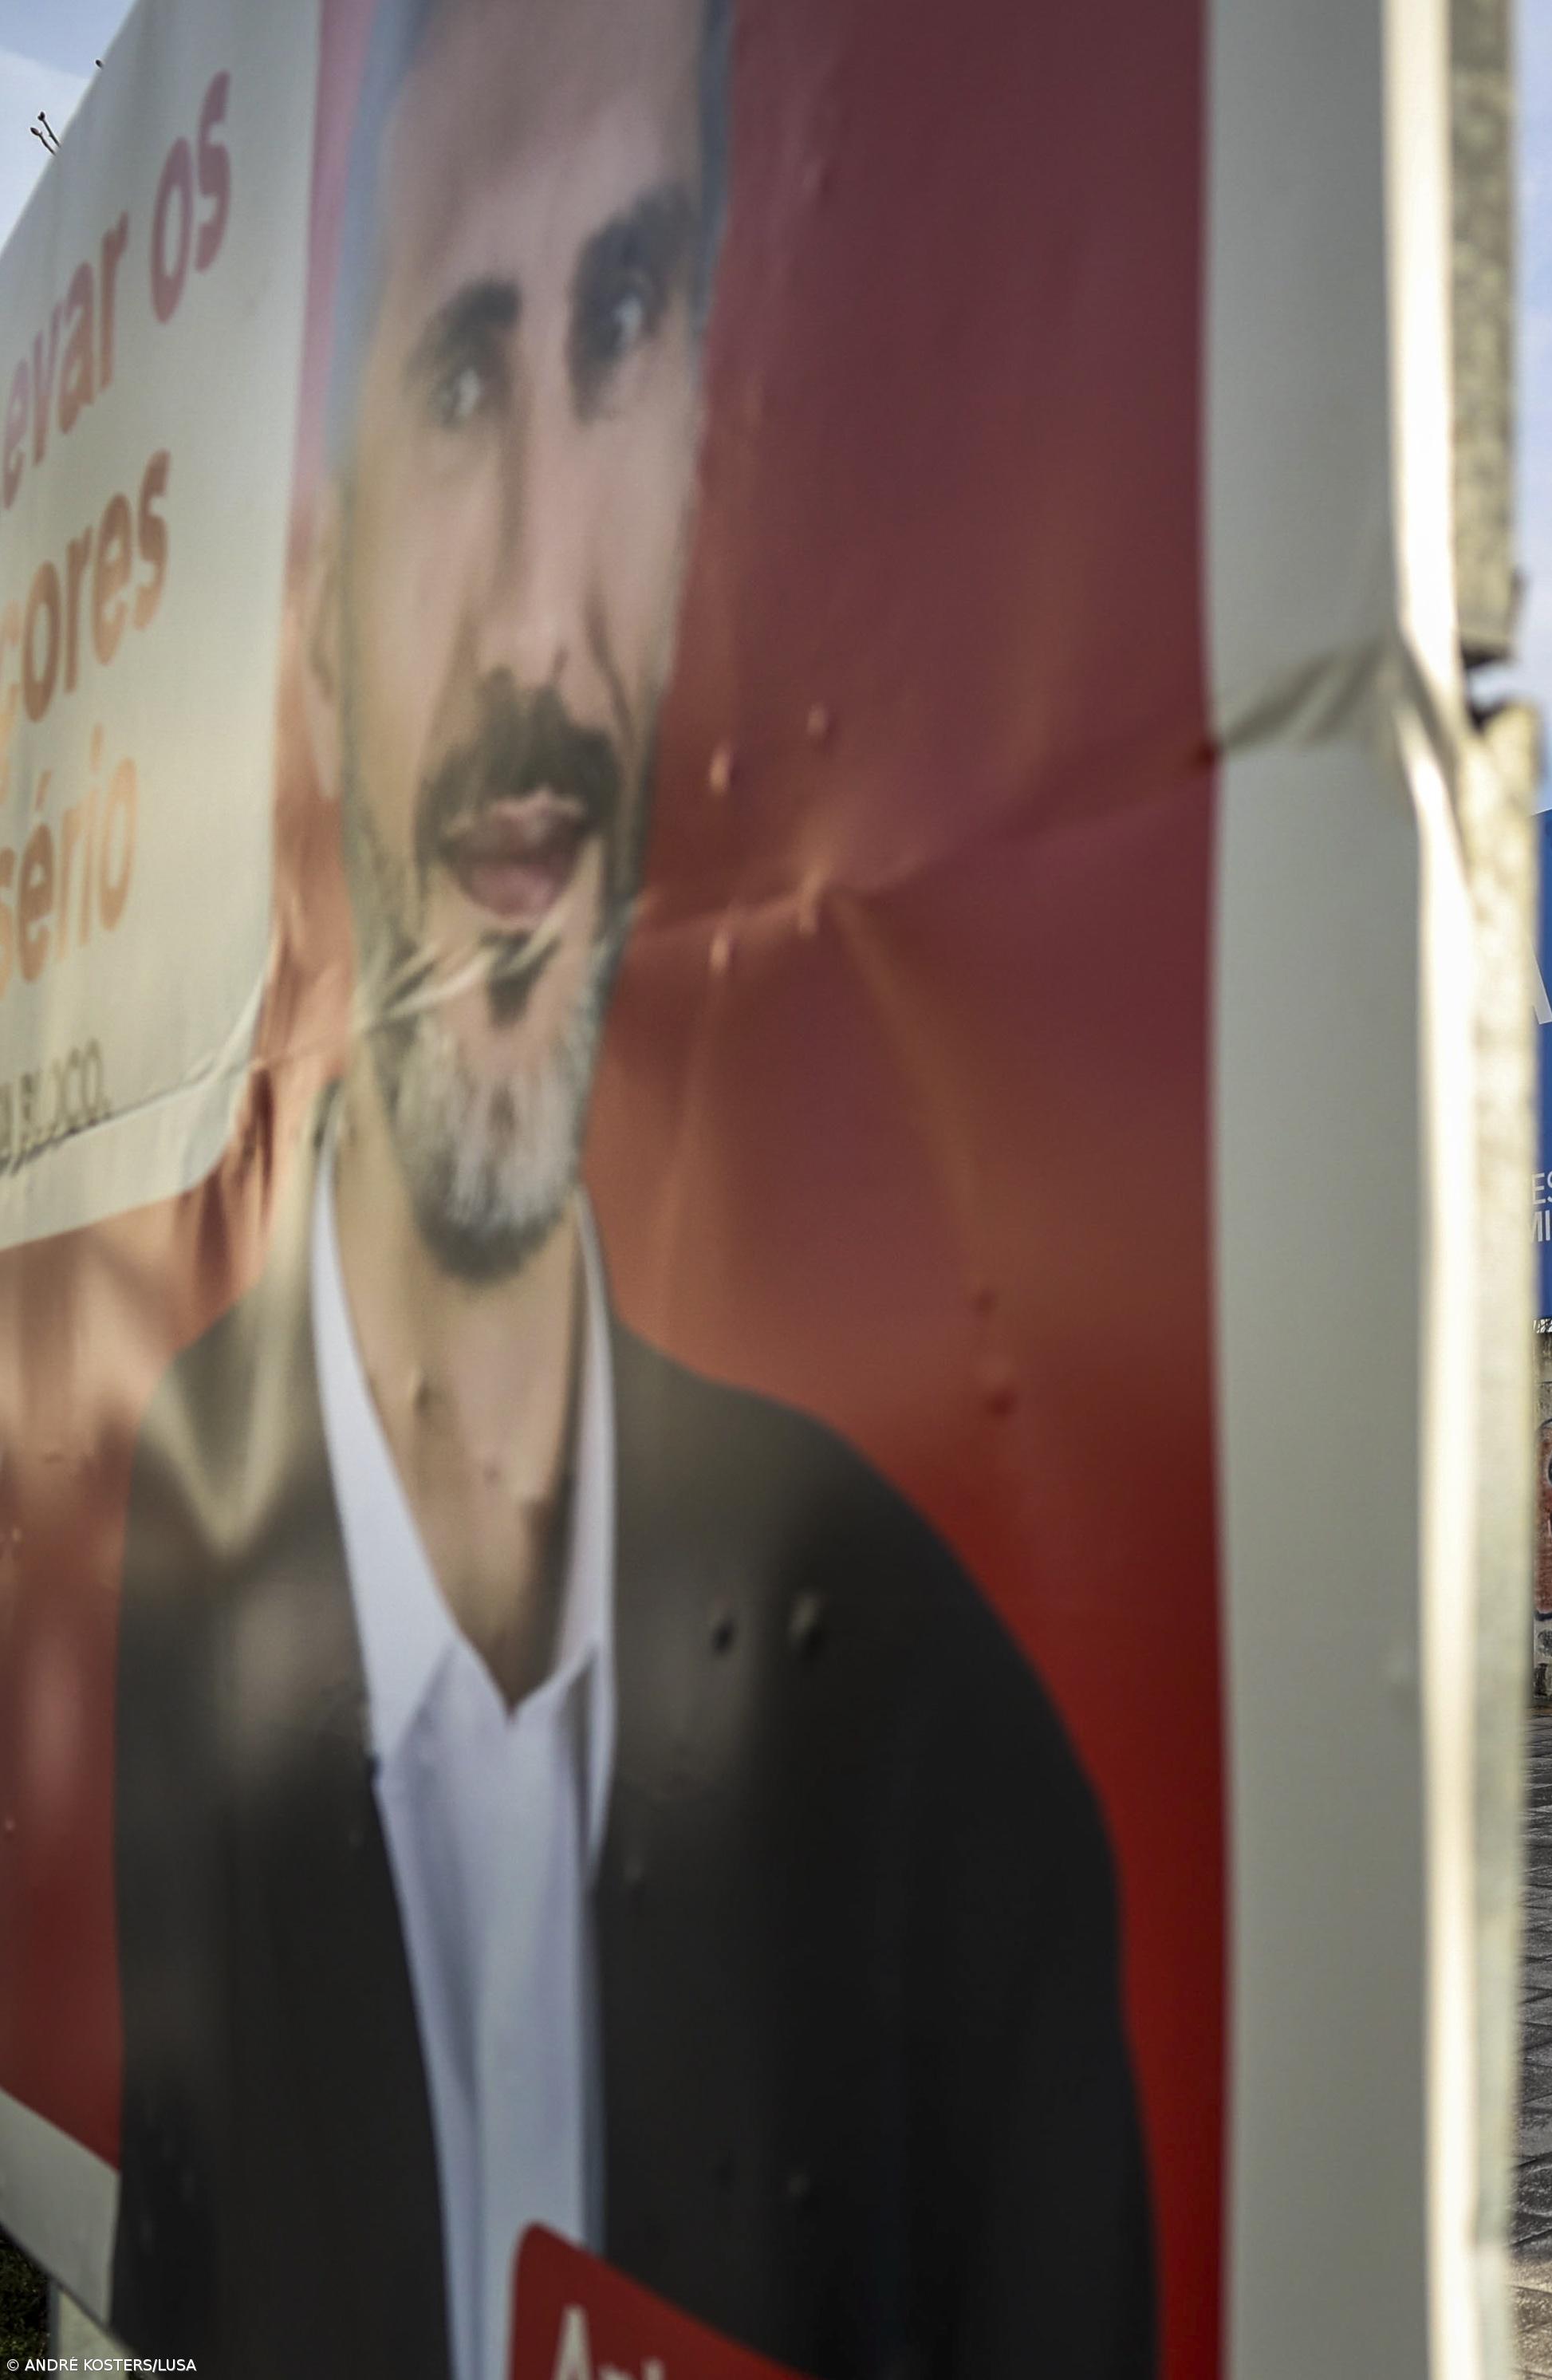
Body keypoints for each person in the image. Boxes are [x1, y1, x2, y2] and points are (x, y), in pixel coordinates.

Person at [107, 2, 1152, 2373]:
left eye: (629, 328)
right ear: (311, 615)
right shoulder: (143, 1556)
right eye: (460, 382)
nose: (542, 623)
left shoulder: (962, 1787)